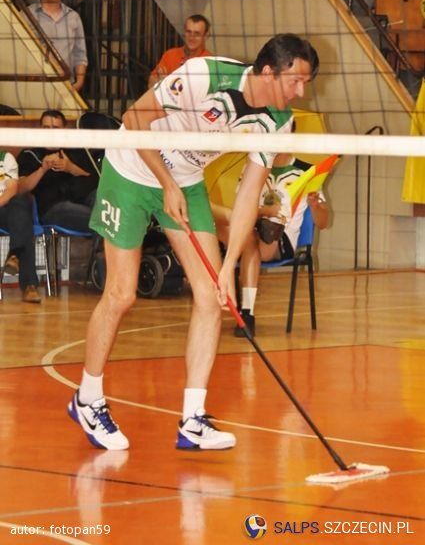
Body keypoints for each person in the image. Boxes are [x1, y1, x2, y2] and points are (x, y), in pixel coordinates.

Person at [68, 33, 319, 452]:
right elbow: (133, 118)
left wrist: (228, 265)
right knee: (122, 293)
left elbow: (248, 196)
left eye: (305, 83)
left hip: (186, 180)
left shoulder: (277, 120)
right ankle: (87, 399)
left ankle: (193, 419)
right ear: (268, 72)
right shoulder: (204, 75)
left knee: (210, 294)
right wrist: (166, 184)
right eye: (295, 81)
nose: (300, 92)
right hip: (132, 167)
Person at [212, 154, 329, 338]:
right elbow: (241, 210)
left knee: (247, 235)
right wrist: (264, 211)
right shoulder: (252, 166)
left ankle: (242, 310)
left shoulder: (306, 171)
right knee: (216, 223)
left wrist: (315, 206)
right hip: (250, 231)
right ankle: (241, 311)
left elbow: (323, 223)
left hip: (280, 238)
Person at [17, 110, 99, 232]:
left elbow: (95, 181)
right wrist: (43, 169)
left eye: (55, 128)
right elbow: (21, 188)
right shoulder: (29, 154)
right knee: (101, 221)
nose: (50, 132)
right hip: (52, 208)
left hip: (82, 200)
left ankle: (105, 234)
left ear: (64, 130)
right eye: (46, 128)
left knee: (100, 199)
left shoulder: (76, 150)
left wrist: (71, 168)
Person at [27, 0, 88, 93]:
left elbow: (80, 53)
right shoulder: (27, 15)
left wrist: (79, 82)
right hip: (35, 84)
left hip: (66, 85)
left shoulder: (73, 17)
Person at [0, 149, 41, 303]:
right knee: (23, 224)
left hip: (5, 208)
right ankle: (29, 285)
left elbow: (11, 189)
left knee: (21, 203)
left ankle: (15, 254)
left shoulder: (5, 158)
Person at [148, 14, 212, 88]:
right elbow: (150, 83)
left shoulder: (210, 61)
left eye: (197, 34)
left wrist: (168, 83)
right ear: (184, 32)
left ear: (206, 36)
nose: (192, 37)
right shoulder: (170, 55)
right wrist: (160, 82)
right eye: (188, 32)